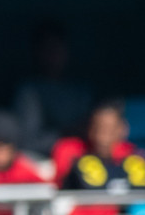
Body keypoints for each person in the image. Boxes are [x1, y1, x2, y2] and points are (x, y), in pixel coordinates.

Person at [15, 20, 92, 156]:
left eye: (59, 49)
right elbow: (29, 141)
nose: (54, 55)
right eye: (48, 49)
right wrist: (66, 133)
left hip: (82, 159)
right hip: (43, 161)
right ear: (37, 52)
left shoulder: (79, 89)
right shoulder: (29, 91)